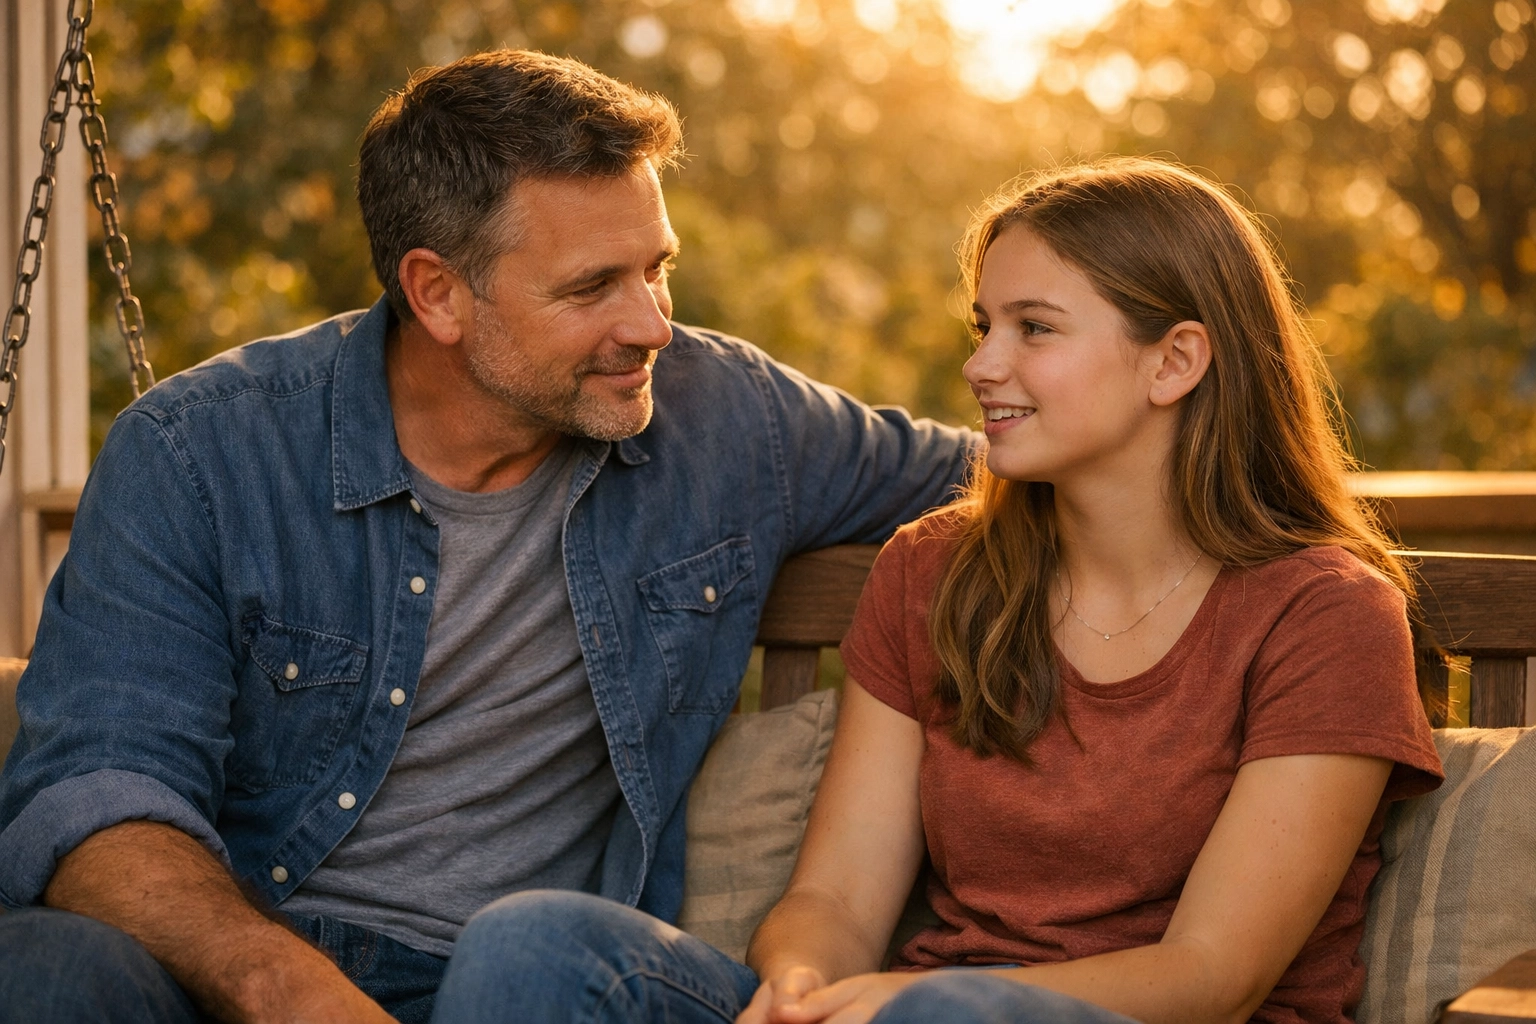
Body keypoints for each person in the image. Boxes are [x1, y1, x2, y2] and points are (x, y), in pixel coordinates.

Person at [0, 51, 974, 1024]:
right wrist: (284, 986)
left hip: (530, 980)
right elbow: (96, 795)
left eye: (656, 268)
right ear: (438, 294)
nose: (652, 325)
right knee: (42, 968)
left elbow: (1012, 462)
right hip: (244, 952)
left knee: (527, 953)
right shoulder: (200, 455)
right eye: (592, 286)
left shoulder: (727, 416)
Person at [437, 158, 1446, 1024]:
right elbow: (836, 893)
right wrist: (803, 980)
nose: (981, 363)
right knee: (532, 947)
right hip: (926, 1012)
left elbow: (1214, 976)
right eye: (984, 323)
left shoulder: (1323, 616)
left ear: (1175, 360)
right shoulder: (935, 571)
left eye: (1034, 328)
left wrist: (910, 1004)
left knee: (951, 1008)